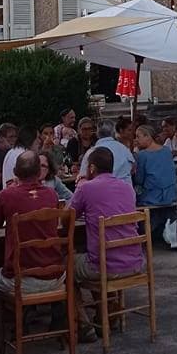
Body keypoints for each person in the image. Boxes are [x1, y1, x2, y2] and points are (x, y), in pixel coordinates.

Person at [70, 147, 145, 343]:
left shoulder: (86, 188)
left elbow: (66, 219)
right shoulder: (127, 188)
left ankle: (84, 323)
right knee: (95, 255)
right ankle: (108, 313)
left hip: (104, 265)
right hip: (134, 262)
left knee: (65, 265)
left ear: (92, 168)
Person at [0, 150, 62, 298]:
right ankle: (49, 309)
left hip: (22, 278)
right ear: (39, 172)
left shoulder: (6, 196)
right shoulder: (52, 195)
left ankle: (10, 317)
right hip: (54, 275)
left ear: (15, 172)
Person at [133, 126, 177, 213]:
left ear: (147, 136)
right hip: (170, 195)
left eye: (138, 137)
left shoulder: (143, 155)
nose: (136, 140)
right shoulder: (167, 150)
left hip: (152, 197)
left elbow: (139, 180)